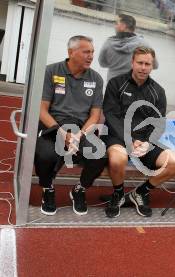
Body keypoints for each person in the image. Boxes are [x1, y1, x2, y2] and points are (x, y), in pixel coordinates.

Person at [102, 46, 175, 218]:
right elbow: (111, 115)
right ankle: (118, 194)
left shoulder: (158, 91)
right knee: (117, 159)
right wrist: (129, 139)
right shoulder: (116, 84)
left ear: (152, 66)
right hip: (119, 137)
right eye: (140, 63)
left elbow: (158, 123)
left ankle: (141, 192)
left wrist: (147, 143)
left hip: (144, 141)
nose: (143, 67)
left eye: (147, 64)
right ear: (132, 62)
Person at [35, 35, 106, 216]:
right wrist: (62, 134)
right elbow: (42, 110)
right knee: (45, 155)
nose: (90, 56)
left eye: (92, 52)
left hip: (81, 130)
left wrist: (78, 136)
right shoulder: (51, 71)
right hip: (53, 126)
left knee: (99, 155)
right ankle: (48, 188)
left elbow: (95, 115)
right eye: (86, 52)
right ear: (70, 52)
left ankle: (79, 189)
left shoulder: (96, 79)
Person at [98, 14, 158, 82]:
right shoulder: (144, 44)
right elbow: (155, 66)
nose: (115, 26)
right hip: (133, 86)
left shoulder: (108, 43)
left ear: (123, 26)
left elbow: (102, 63)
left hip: (112, 86)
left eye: (116, 23)